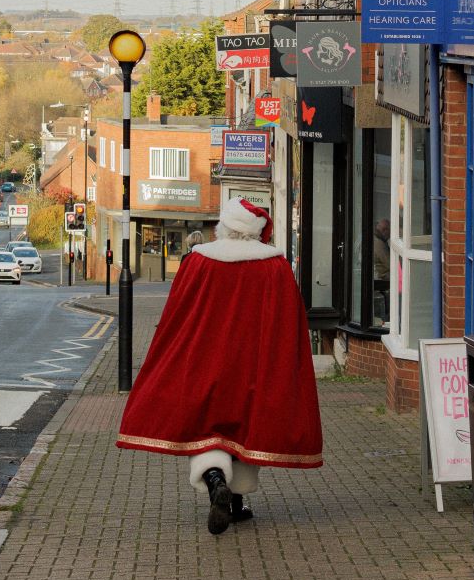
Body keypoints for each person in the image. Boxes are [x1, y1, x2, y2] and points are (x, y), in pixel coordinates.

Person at [115, 196, 321, 536]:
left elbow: (178, 314)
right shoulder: (276, 266)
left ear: (222, 228)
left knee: (206, 430)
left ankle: (214, 481)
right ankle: (236, 501)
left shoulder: (199, 261)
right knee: (245, 429)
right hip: (254, 365)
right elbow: (290, 323)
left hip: (206, 361)